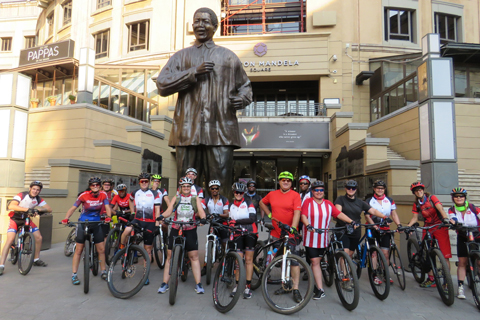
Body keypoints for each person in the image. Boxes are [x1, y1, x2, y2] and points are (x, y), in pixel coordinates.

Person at [157, 7, 252, 195]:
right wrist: (192, 72)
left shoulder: (228, 57)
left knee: (221, 183)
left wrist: (241, 99)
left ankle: (219, 222)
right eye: (197, 21)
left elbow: (246, 87)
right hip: (187, 130)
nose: (200, 25)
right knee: (186, 184)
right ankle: (186, 222)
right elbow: (162, 85)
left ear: (215, 27)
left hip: (220, 130)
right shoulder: (181, 56)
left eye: (205, 22)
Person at [301, 180, 356, 300]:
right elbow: (303, 215)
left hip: (323, 238)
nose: (319, 192)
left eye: (321, 190)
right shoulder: (308, 202)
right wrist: (308, 225)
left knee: (318, 261)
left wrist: (351, 221)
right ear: (312, 191)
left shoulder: (328, 203)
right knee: (315, 262)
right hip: (311, 237)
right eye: (316, 190)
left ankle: (318, 278)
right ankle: (320, 289)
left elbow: (338, 214)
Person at [157, 177, 207, 294]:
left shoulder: (195, 198)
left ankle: (198, 284)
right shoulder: (177, 197)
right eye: (184, 186)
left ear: (190, 188)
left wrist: (203, 218)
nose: (186, 188)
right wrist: (162, 216)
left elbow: (200, 211)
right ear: (180, 188)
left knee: (194, 256)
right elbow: (169, 211)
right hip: (176, 227)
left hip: (190, 228)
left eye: (188, 186)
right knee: (169, 256)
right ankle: (165, 283)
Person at [259, 171, 303, 303]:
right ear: (279, 182)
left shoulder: (295, 195)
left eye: (288, 180)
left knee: (294, 261)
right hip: (276, 233)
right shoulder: (272, 194)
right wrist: (270, 214)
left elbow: (297, 213)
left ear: (291, 183)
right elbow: (261, 203)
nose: (286, 182)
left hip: (290, 234)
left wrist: (294, 228)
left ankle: (295, 288)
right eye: (283, 180)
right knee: (281, 260)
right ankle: (285, 285)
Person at [62, 177, 112, 284]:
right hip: (83, 223)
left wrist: (108, 216)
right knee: (79, 250)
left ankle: (103, 271)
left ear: (100, 186)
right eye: (93, 185)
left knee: (101, 249)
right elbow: (73, 208)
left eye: (97, 185)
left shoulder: (103, 194)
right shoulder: (83, 195)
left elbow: (107, 207)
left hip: (96, 223)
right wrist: (66, 218)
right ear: (90, 186)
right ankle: (74, 274)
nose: (95, 187)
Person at [0, 181, 52, 275]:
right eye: (34, 189)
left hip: (27, 219)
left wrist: (39, 210)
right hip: (15, 219)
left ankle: (36, 259)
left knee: (39, 237)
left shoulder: (38, 199)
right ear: (30, 189)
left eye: (38, 190)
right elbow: (11, 205)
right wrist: (27, 209)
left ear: (39, 191)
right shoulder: (22, 195)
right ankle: (1, 266)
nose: (35, 191)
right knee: (10, 239)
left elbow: (49, 209)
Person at [407, 181, 452, 288]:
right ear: (414, 193)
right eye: (416, 191)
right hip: (428, 228)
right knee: (428, 253)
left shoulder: (432, 198)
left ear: (423, 190)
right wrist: (408, 227)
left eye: (420, 189)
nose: (418, 192)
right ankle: (431, 278)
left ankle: (447, 281)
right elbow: (415, 218)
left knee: (445, 255)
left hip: (440, 226)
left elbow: (440, 208)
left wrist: (445, 219)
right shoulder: (417, 203)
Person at [120, 173, 162, 286]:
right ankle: (122, 247)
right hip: (137, 220)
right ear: (139, 182)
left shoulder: (155, 193)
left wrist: (157, 223)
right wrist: (133, 212)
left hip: (150, 223)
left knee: (147, 250)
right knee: (127, 231)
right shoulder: (135, 193)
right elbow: (130, 200)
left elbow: (157, 209)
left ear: (149, 182)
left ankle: (145, 273)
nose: (144, 183)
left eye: (146, 181)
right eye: (142, 181)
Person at [334, 180, 390, 259]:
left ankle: (350, 271)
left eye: (353, 188)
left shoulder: (360, 202)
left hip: (356, 230)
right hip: (343, 229)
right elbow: (338, 213)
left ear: (356, 189)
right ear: (345, 189)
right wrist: (349, 222)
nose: (351, 190)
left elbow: (372, 210)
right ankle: (344, 272)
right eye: (348, 188)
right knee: (345, 253)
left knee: (350, 253)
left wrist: (385, 217)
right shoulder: (340, 199)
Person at [364, 180, 402, 284]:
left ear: (384, 189)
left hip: (385, 229)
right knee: (374, 252)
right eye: (377, 188)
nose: (380, 190)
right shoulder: (369, 200)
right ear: (374, 189)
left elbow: (393, 214)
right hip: (372, 229)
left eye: (382, 188)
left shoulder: (389, 200)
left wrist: (399, 225)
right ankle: (374, 274)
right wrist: (374, 226)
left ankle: (386, 274)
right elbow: (367, 216)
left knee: (385, 253)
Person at [447, 187, 480, 299]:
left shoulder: (473, 208)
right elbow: (453, 218)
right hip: (463, 236)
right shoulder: (452, 210)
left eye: (461, 196)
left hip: (477, 236)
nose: (458, 198)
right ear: (453, 198)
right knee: (462, 262)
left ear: (465, 197)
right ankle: (460, 288)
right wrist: (454, 222)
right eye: (456, 196)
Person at [228, 183, 258, 299]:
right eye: (236, 192)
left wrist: (236, 222)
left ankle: (248, 287)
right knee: (238, 261)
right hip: (237, 234)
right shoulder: (231, 205)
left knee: (248, 260)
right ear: (233, 193)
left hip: (250, 233)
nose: (238, 194)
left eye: (240, 192)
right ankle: (237, 286)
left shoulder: (249, 203)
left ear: (244, 193)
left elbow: (252, 218)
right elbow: (231, 219)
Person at [201, 180, 229, 276]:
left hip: (223, 224)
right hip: (212, 224)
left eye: (216, 188)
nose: (214, 190)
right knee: (208, 243)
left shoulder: (224, 200)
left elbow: (227, 214)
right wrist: (203, 216)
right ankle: (206, 265)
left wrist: (218, 215)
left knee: (225, 244)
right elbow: (200, 208)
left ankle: (226, 264)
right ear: (210, 189)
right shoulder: (206, 200)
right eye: (212, 188)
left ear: (219, 189)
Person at [150, 174, 170, 245]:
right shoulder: (148, 191)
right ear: (151, 182)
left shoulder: (162, 190)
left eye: (158, 181)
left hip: (160, 213)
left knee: (164, 225)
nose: (157, 182)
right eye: (155, 181)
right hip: (150, 214)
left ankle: (165, 237)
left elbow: (167, 201)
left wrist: (170, 210)